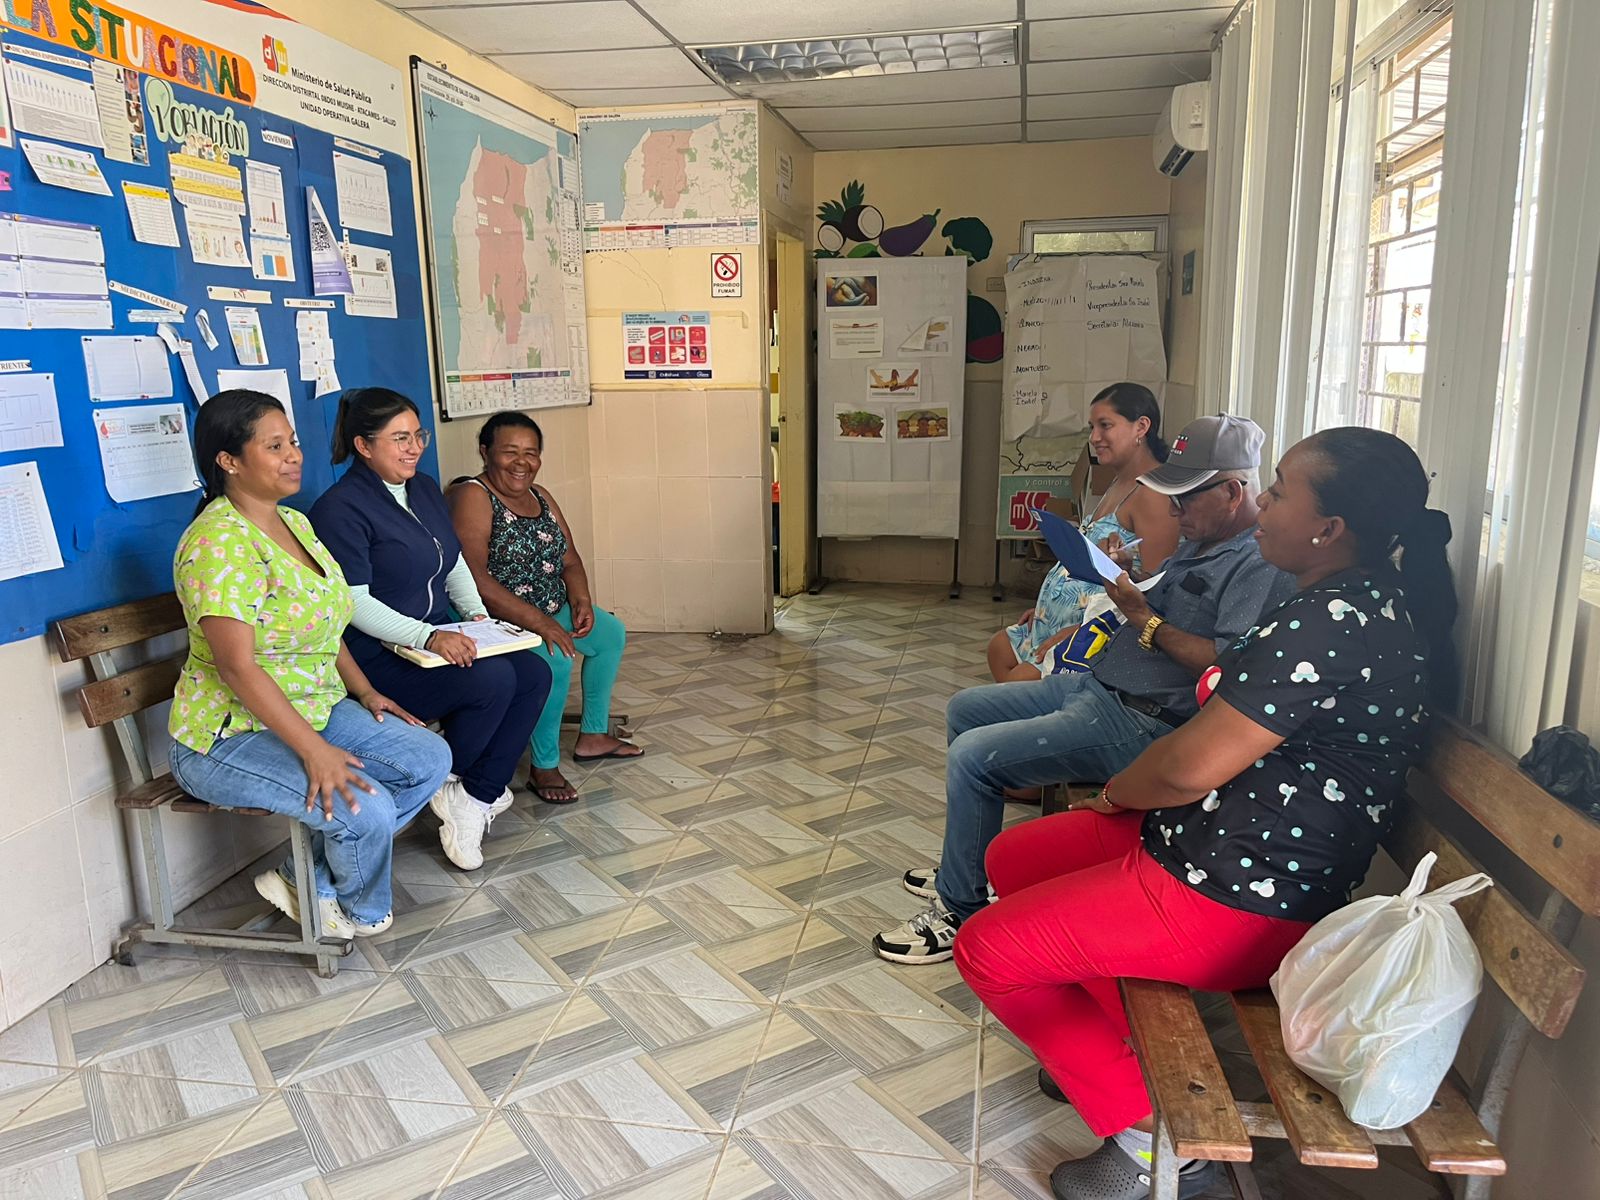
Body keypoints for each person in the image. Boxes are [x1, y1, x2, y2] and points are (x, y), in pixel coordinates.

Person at [952, 427, 1456, 1199]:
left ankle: (1155, 1144)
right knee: (1014, 860)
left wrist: (1119, 792)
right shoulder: (1339, 599)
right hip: (1217, 843)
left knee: (989, 950)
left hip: (1246, 894)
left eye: (1279, 492)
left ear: (1329, 528)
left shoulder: (1333, 623)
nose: (1263, 506)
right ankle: (1119, 1050)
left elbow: (1188, 766)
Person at [876, 415, 1296, 964]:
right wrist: (1127, 575)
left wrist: (1143, 617)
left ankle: (960, 909)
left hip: (1144, 719)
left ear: (1233, 492)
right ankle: (971, 869)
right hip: (1101, 687)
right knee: (967, 709)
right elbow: (1174, 603)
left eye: (1185, 499)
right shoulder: (1205, 537)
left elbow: (1225, 664)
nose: (1175, 511)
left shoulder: (1258, 563)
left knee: (975, 757)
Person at [167, 390, 453, 938]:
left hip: (314, 705)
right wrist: (316, 752)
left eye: (293, 442)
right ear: (229, 461)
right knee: (365, 809)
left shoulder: (294, 523)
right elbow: (237, 668)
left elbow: (324, 619)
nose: (294, 455)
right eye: (274, 446)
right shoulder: (219, 544)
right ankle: (360, 912)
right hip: (226, 737)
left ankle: (308, 883)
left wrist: (365, 691)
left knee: (429, 758)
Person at [308, 389, 551, 870]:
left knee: (533, 673)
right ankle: (450, 781)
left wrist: (477, 617)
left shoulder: (419, 487)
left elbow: (453, 559)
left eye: (418, 435)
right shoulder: (341, 508)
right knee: (491, 681)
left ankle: (472, 795)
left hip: (438, 634)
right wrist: (428, 636)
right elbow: (352, 604)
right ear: (363, 445)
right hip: (377, 653)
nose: (415, 447)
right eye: (399, 438)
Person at [448, 412, 638, 805]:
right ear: (485, 452)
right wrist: (541, 624)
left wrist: (581, 599)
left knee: (609, 635)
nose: (522, 462)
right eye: (510, 452)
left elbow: (569, 558)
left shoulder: (541, 495)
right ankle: (544, 765)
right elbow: (474, 578)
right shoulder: (473, 495)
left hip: (549, 607)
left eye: (531, 453)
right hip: (499, 619)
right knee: (556, 659)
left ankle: (593, 735)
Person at [990, 383, 1180, 683]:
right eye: (1092, 427)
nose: (1094, 437)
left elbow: (1156, 590)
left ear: (1141, 427)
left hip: (1096, 632)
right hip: (1057, 622)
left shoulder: (1154, 495)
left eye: (1105, 425)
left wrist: (1080, 630)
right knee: (999, 648)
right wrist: (1047, 609)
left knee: (1017, 684)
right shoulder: (1119, 482)